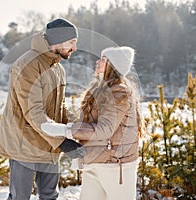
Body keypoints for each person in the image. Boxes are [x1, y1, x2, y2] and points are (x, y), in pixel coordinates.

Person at [0, 18, 86, 200]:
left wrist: (78, 127)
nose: (74, 48)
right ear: (57, 42)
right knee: (20, 196)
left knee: (50, 195)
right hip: (24, 145)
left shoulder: (58, 68)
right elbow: (33, 111)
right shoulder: (27, 65)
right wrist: (62, 142)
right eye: (71, 42)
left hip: (49, 146)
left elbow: (59, 106)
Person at [41, 46, 144, 200]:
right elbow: (89, 123)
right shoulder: (100, 89)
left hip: (116, 165)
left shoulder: (119, 92)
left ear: (112, 65)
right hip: (95, 161)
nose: (97, 62)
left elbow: (105, 129)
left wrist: (66, 130)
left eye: (103, 60)